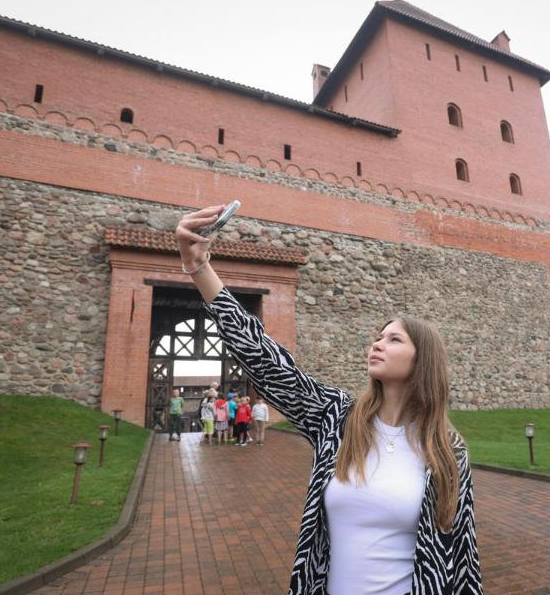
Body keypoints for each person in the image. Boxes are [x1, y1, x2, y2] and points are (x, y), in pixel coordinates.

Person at [176, 205, 482, 594]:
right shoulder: (336, 418)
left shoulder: (447, 451)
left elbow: (464, 562)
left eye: (394, 339)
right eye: (378, 336)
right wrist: (199, 267)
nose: (377, 343)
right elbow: (267, 364)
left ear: (423, 360)